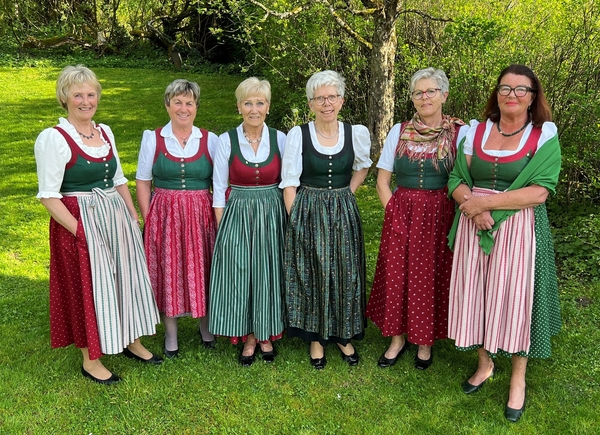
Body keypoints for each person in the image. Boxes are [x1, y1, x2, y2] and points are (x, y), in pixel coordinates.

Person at [34, 65, 162, 385]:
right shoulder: (54, 138)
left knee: (125, 278)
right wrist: (80, 231)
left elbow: (118, 179)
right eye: (77, 95)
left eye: (91, 94)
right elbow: (48, 196)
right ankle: (91, 360)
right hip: (79, 219)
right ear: (64, 97)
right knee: (86, 286)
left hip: (114, 215)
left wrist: (132, 216)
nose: (85, 101)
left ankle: (131, 340)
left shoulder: (104, 132)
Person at [447, 64, 561, 422]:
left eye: (520, 89)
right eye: (505, 88)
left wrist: (485, 205)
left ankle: (517, 379)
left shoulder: (543, 135)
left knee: (515, 301)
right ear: (496, 94)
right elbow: (456, 179)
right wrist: (472, 205)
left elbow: (540, 191)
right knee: (478, 294)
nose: (512, 95)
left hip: (517, 228)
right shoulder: (475, 131)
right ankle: (484, 364)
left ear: (533, 97)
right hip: (474, 226)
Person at [366, 68, 466, 370]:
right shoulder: (399, 132)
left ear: (444, 95)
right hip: (402, 211)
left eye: (431, 91)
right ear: (412, 98)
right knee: (397, 273)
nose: (425, 98)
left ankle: (425, 341)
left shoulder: (460, 133)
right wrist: (393, 213)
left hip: (440, 214)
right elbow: (382, 181)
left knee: (430, 275)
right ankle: (397, 338)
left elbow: (466, 178)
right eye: (418, 93)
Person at [280, 70, 372, 370]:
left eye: (332, 97)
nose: (326, 103)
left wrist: (348, 192)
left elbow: (363, 167)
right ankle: (316, 339)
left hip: (343, 208)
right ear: (311, 104)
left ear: (341, 101)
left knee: (346, 270)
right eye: (319, 98)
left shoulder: (355, 133)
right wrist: (296, 221)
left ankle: (343, 334)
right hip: (309, 207)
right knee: (314, 270)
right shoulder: (299, 135)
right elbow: (290, 182)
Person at [136, 79, 218, 358]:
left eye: (189, 103)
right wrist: (149, 218)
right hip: (165, 214)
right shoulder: (153, 138)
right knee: (168, 270)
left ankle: (205, 325)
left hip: (200, 215)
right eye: (178, 102)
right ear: (167, 105)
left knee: (202, 268)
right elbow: (143, 181)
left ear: (196, 107)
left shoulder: (210, 140)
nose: (184, 108)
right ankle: (170, 332)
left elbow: (219, 183)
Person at [209, 78, 287, 366]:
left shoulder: (281, 139)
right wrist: (223, 229)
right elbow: (219, 189)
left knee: (268, 272)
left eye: (260, 103)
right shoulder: (226, 140)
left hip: (271, 212)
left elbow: (289, 182)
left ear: (268, 106)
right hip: (238, 213)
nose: (254, 109)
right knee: (242, 273)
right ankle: (250, 335)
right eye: (248, 103)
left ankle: (265, 333)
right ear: (239, 107)